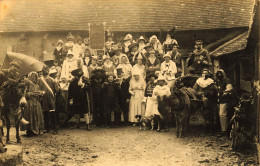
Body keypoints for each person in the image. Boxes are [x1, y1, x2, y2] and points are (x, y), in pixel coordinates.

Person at [21, 72, 45, 136]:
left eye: (35, 76)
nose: (34, 78)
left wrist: (40, 94)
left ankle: (35, 129)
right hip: (30, 102)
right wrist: (31, 94)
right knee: (30, 115)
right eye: (33, 76)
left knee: (37, 115)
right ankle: (29, 130)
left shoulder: (37, 85)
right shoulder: (28, 84)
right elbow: (25, 94)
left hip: (36, 102)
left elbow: (39, 96)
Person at [38, 66, 59, 134]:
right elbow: (38, 88)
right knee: (45, 113)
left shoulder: (52, 80)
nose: (45, 71)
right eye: (44, 70)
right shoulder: (39, 80)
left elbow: (56, 89)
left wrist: (54, 95)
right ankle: (47, 128)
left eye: (46, 70)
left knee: (53, 113)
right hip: (43, 98)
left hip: (50, 97)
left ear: (48, 71)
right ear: (42, 71)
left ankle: (55, 128)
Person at [215, 69, 234, 137]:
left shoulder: (227, 80)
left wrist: (225, 92)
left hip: (225, 100)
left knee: (222, 115)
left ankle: (224, 131)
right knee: (220, 115)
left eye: (220, 73)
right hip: (219, 100)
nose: (219, 75)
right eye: (218, 74)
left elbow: (230, 88)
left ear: (223, 74)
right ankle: (222, 129)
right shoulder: (218, 81)